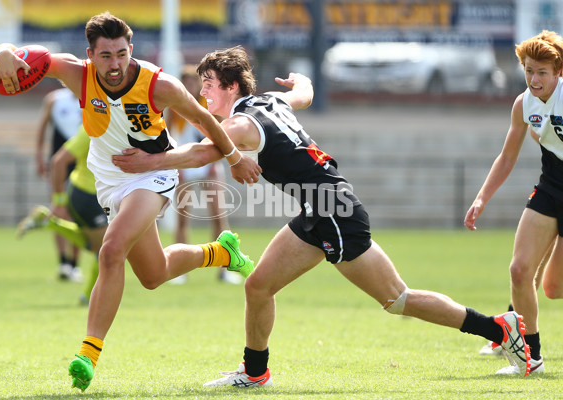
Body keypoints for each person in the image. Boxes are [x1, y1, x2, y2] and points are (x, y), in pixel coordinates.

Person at [111, 45, 532, 386]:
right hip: (320, 207)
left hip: (334, 210)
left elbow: (205, 151)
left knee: (397, 300)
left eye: (208, 85)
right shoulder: (271, 100)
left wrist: (150, 162)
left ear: (233, 85)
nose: (203, 94)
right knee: (258, 286)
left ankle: (500, 329)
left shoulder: (240, 123)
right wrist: (300, 80)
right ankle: (255, 372)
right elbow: (306, 92)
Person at [0, 12, 261, 392]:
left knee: (111, 248)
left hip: (153, 176)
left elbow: (204, 119)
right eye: (105, 56)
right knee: (154, 275)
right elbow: (19, 55)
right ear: (91, 55)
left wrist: (234, 159)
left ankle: (88, 353)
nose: (115, 64)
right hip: (110, 183)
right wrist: (2, 53)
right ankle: (220, 253)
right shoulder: (77, 74)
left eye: (121, 53)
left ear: (130, 49)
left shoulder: (158, 85)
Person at [465, 30, 563, 375]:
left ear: (559, 72)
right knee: (520, 270)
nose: (534, 79)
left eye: (542, 73)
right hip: (552, 186)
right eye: (529, 71)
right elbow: (507, 157)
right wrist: (481, 198)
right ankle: (529, 357)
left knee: (553, 287)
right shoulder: (523, 103)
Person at [167, 65, 241, 285]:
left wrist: (215, 162)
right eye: (186, 82)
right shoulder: (174, 107)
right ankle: (179, 270)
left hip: (208, 164)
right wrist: (176, 164)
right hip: (185, 164)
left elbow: (221, 135)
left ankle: (225, 267)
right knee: (183, 217)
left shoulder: (208, 106)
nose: (190, 86)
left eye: (193, 82)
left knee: (219, 216)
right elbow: (170, 135)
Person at [17, 126, 107, 304]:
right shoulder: (93, 129)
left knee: (100, 246)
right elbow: (58, 161)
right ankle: (89, 297)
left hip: (98, 195)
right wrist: (58, 201)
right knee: (106, 248)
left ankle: (49, 223)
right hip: (86, 196)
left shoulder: (118, 126)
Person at [35, 87, 83, 281]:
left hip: (84, 166)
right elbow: (42, 129)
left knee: (80, 213)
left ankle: (75, 264)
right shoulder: (54, 99)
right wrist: (38, 157)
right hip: (58, 166)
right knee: (58, 209)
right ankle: (63, 261)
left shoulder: (94, 98)